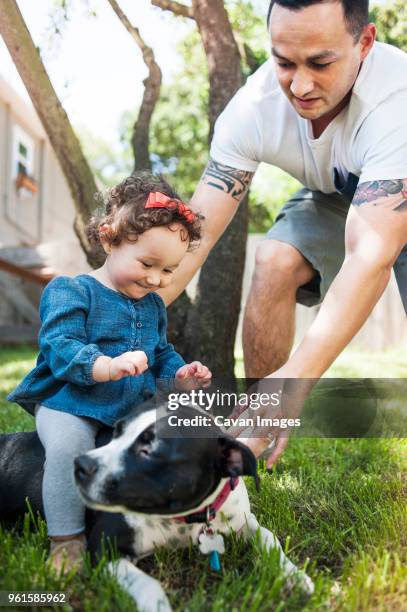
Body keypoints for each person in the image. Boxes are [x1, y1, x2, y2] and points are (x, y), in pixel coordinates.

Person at [157, 0, 407, 465]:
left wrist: (296, 379)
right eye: (284, 62)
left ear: (365, 42)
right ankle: (258, 436)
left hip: (392, 196)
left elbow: (372, 255)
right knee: (274, 260)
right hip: (341, 193)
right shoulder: (253, 108)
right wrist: (108, 318)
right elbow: (194, 239)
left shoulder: (398, 101)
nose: (301, 84)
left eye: (321, 62)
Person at [8, 172, 212, 574]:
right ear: (108, 240)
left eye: (168, 271)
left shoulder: (153, 306)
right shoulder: (72, 290)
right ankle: (65, 539)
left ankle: (144, 519)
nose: (156, 279)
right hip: (71, 404)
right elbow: (58, 345)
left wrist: (180, 374)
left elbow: (161, 354)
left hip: (125, 410)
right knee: (69, 451)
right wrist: (103, 365)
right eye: (147, 263)